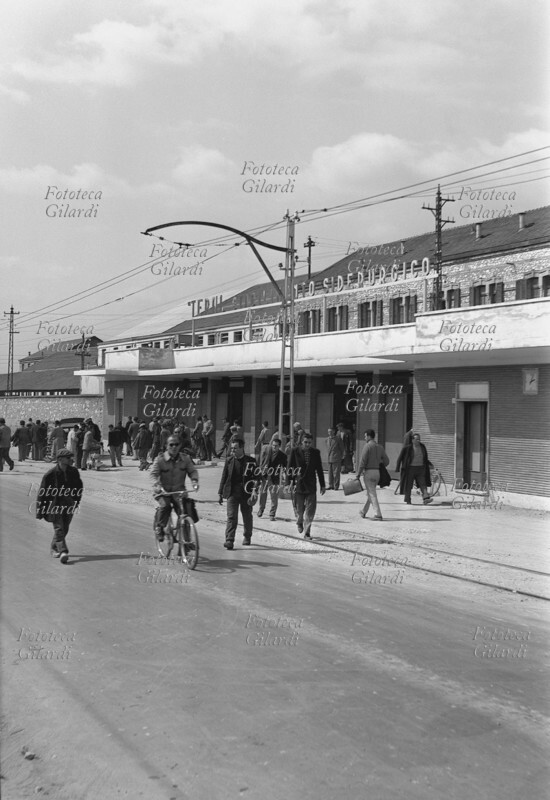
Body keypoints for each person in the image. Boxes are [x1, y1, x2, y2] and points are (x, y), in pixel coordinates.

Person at [35, 448, 83, 563]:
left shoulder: (73, 471)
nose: (71, 459)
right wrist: (40, 511)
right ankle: (63, 551)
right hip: (55, 504)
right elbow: (42, 493)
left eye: (71, 457)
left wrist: (76, 501)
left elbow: (79, 487)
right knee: (59, 528)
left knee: (65, 527)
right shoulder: (50, 474)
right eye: (68, 458)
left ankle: (54, 547)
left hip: (69, 502)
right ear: (60, 459)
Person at [150, 436, 199, 545]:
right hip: (163, 492)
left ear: (180, 445)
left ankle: (187, 540)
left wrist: (194, 481)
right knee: (165, 506)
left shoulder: (185, 459)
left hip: (178, 492)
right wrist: (157, 486)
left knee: (185, 512)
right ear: (166, 446)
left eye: (176, 444)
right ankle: (159, 527)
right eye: (171, 444)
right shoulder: (160, 459)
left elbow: (192, 471)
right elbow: (153, 474)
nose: (174, 447)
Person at [218, 439, 258, 549]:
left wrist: (254, 491)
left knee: (247, 516)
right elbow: (224, 477)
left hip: (246, 494)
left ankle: (247, 536)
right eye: (231, 448)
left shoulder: (251, 461)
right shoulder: (229, 460)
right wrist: (220, 493)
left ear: (241, 448)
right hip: (232, 493)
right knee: (231, 516)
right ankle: (229, 540)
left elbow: (256, 478)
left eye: (235, 448)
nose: (232, 450)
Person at [286, 432, 326, 538]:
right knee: (299, 509)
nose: (307, 444)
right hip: (298, 484)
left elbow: (319, 469)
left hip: (311, 484)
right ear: (301, 442)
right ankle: (299, 521)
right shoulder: (295, 451)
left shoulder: (316, 452)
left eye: (309, 442)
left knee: (310, 509)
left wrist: (322, 485)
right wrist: (288, 483)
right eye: (305, 442)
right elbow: (289, 468)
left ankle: (307, 532)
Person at [356, 429, 390, 521]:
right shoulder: (380, 447)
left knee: (372, 493)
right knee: (371, 493)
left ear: (369, 436)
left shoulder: (367, 446)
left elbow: (362, 462)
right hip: (377, 473)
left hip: (369, 472)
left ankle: (378, 514)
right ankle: (363, 511)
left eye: (365, 436)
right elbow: (387, 461)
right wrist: (379, 461)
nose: (364, 438)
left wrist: (358, 474)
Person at [396, 432, 433, 505]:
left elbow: (425, 457)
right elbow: (400, 458)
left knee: (423, 483)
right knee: (408, 484)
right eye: (417, 439)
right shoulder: (407, 448)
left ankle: (426, 498)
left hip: (421, 468)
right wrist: (397, 468)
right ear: (412, 440)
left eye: (419, 439)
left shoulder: (422, 446)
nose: (418, 441)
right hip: (410, 469)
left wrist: (429, 464)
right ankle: (408, 499)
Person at [257, 437, 287, 521]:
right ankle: (261, 509)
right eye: (273, 445)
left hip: (274, 478)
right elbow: (260, 462)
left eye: (276, 446)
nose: (274, 447)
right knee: (263, 494)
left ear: (279, 446)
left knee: (274, 496)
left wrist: (287, 477)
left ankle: (272, 513)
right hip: (265, 476)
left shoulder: (282, 456)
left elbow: (285, 467)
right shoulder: (266, 451)